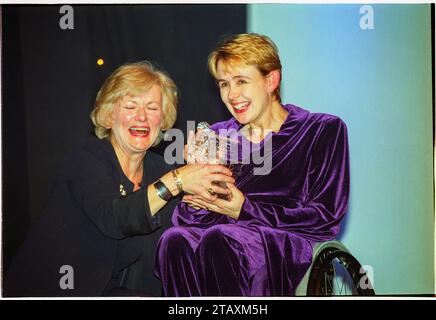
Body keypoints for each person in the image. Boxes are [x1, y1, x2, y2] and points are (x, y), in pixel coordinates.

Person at [4, 61, 234, 297]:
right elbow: (114, 218)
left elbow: (188, 227)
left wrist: (204, 171)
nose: (142, 117)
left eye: (152, 108)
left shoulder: (158, 169)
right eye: (131, 106)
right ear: (109, 115)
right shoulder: (87, 158)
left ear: (164, 119)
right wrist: (177, 180)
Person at [154, 33, 350, 296]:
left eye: (241, 81)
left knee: (221, 238)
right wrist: (197, 185)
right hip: (224, 241)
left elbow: (325, 218)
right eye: (224, 84)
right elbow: (188, 220)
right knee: (174, 240)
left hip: (284, 247)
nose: (232, 95)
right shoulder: (217, 135)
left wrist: (245, 209)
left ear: (271, 80)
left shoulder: (320, 130)